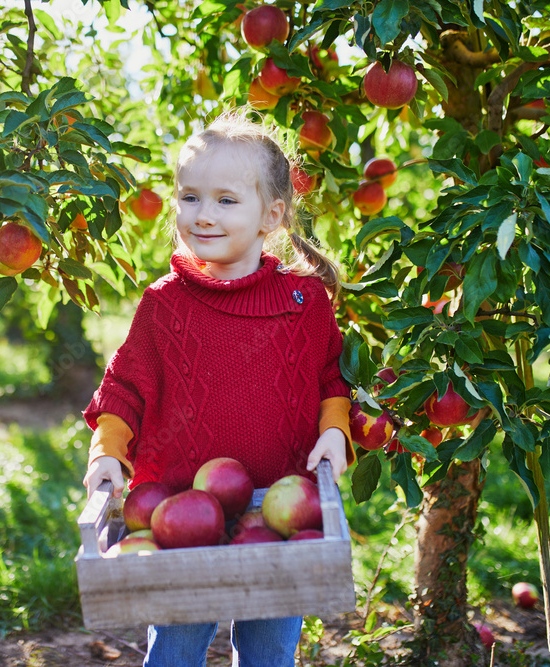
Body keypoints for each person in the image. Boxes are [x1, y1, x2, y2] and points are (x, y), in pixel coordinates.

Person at [81, 112, 354, 667]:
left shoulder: (305, 302)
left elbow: (331, 377)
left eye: (226, 201)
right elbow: (126, 387)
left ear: (270, 215)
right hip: (180, 505)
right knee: (176, 646)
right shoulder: (165, 304)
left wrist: (335, 430)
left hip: (281, 507)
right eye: (189, 197)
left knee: (271, 648)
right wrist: (107, 452)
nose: (203, 215)